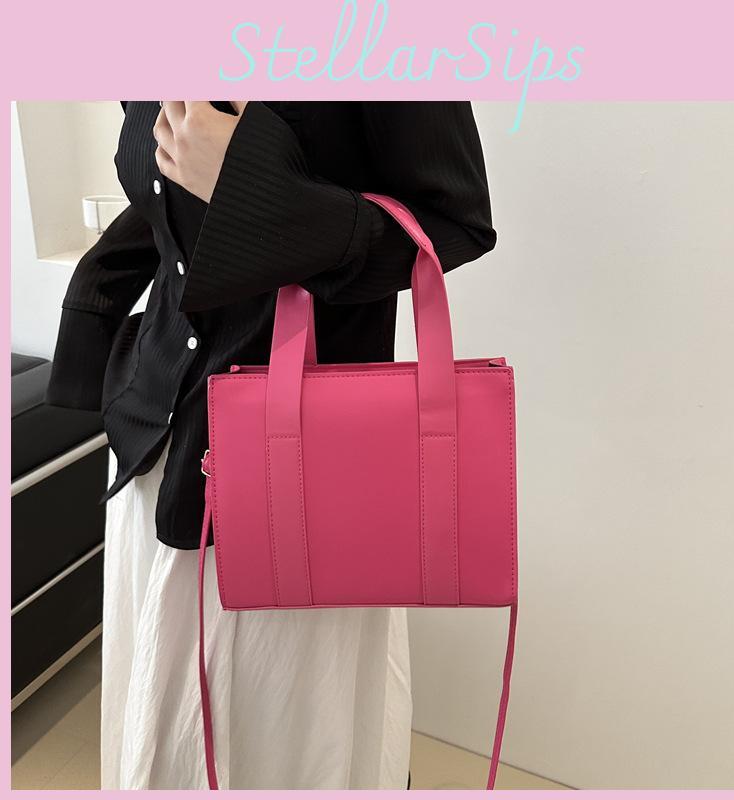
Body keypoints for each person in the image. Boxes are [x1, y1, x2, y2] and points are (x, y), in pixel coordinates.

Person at [45, 100, 496, 789]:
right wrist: (92, 308)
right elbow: (166, 195)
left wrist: (256, 189)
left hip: (296, 482)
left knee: (281, 742)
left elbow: (454, 223)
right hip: (152, 434)